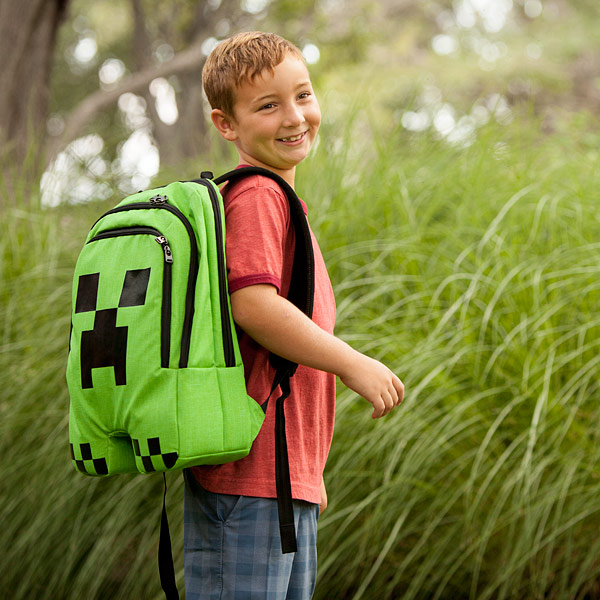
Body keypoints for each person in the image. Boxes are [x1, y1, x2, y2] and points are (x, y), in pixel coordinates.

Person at [184, 31, 404, 599]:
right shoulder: (257, 196)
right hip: (251, 484)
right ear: (225, 124)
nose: (294, 116)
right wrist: (352, 363)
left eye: (302, 95)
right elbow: (252, 305)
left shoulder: (281, 202)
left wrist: (307, 472)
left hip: (281, 481)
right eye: (268, 105)